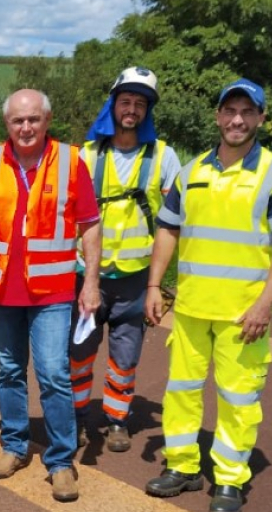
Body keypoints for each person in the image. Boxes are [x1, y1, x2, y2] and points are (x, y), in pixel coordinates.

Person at [143, 79, 272, 512]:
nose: (237, 119)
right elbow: (168, 229)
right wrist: (155, 286)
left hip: (243, 314)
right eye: (230, 110)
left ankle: (231, 479)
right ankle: (182, 467)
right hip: (192, 308)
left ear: (261, 119)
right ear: (217, 116)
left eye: (247, 112)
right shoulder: (191, 172)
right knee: (180, 392)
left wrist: (264, 305)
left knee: (237, 399)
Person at [0, 89, 101, 502]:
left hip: (52, 290)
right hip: (2, 290)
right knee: (9, 371)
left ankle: (60, 462)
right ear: (7, 124)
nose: (26, 127)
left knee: (54, 374)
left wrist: (90, 282)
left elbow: (90, 224)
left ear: (47, 120)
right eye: (18, 120)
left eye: (33, 119)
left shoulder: (72, 162)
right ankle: (15, 446)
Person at [71, 66, 182, 453]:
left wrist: (159, 282)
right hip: (87, 276)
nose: (131, 109)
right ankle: (77, 417)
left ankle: (117, 419)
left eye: (139, 103)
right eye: (125, 101)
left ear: (147, 110)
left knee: (125, 354)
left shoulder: (164, 157)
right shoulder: (85, 155)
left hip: (135, 279)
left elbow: (174, 223)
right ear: (113, 105)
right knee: (80, 353)